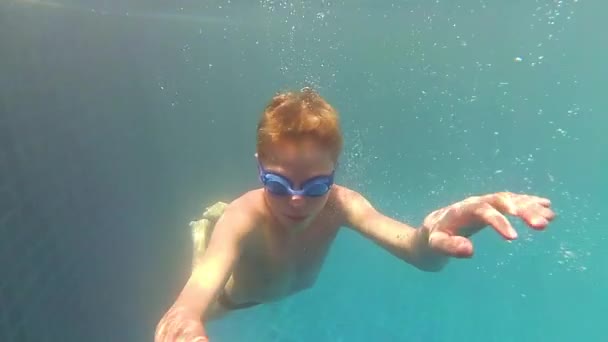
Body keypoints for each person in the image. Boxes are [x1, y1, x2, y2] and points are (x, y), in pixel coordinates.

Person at [154, 88, 555, 342]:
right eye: (277, 184)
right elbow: (185, 307)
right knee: (206, 271)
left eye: (314, 186)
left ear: (334, 172)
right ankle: (203, 226)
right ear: (259, 168)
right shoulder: (244, 217)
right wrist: (185, 325)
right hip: (233, 300)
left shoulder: (341, 205)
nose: (296, 200)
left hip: (280, 288)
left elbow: (416, 249)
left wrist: (438, 234)